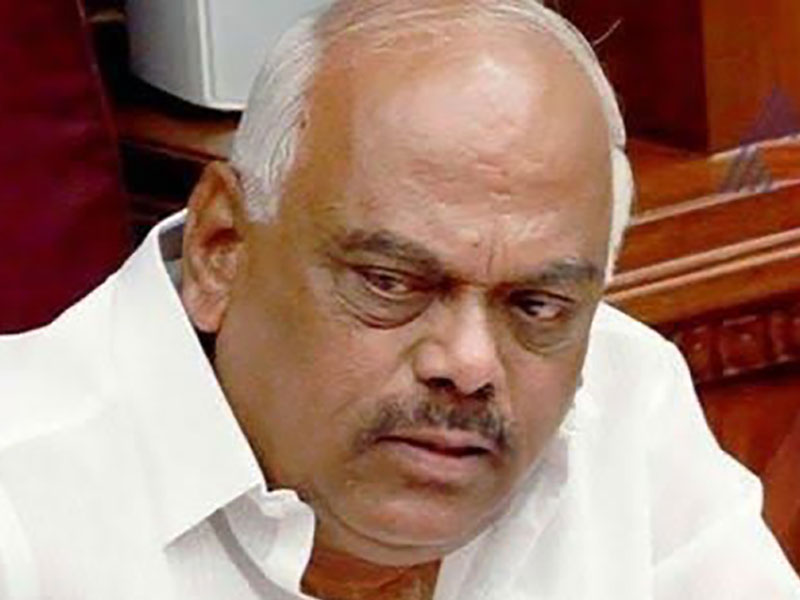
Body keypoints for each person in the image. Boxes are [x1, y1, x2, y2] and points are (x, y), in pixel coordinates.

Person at [1, 1, 798, 598]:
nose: (470, 364)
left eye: (535, 306)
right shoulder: (23, 509)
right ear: (222, 249)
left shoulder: (623, 396)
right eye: (391, 283)